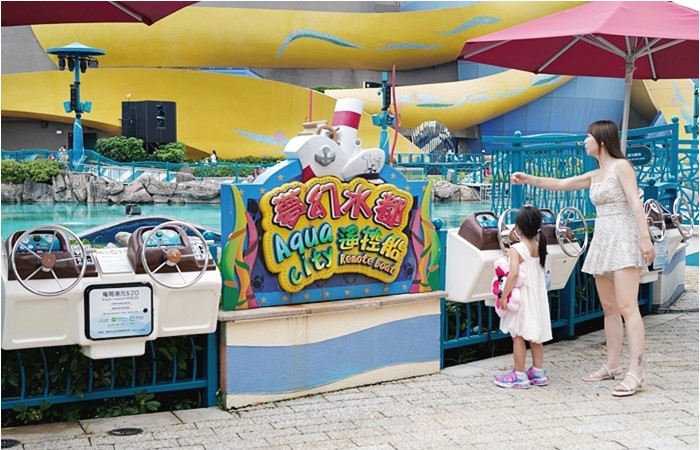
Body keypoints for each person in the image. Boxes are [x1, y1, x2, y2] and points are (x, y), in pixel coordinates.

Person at [511, 120, 653, 397]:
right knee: (609, 308)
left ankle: (636, 371)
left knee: (628, 307)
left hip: (623, 238)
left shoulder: (622, 167)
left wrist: (645, 238)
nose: (584, 142)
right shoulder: (596, 174)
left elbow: (636, 203)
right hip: (603, 240)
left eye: (588, 137)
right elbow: (561, 184)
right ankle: (612, 364)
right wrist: (528, 178)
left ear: (601, 140)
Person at [493, 205, 552, 389]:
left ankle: (519, 375)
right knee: (536, 336)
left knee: (518, 335)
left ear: (517, 228)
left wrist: (504, 295)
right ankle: (538, 372)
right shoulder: (539, 246)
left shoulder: (516, 249)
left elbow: (513, 274)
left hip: (523, 299)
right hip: (537, 299)